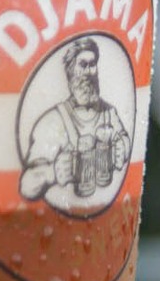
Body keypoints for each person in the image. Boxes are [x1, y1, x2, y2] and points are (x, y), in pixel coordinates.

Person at [21, 38, 131, 206]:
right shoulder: (53, 121)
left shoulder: (109, 113)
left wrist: (124, 147)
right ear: (70, 72)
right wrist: (52, 172)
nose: (88, 72)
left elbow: (126, 138)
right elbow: (27, 185)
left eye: (92, 65)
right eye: (83, 65)